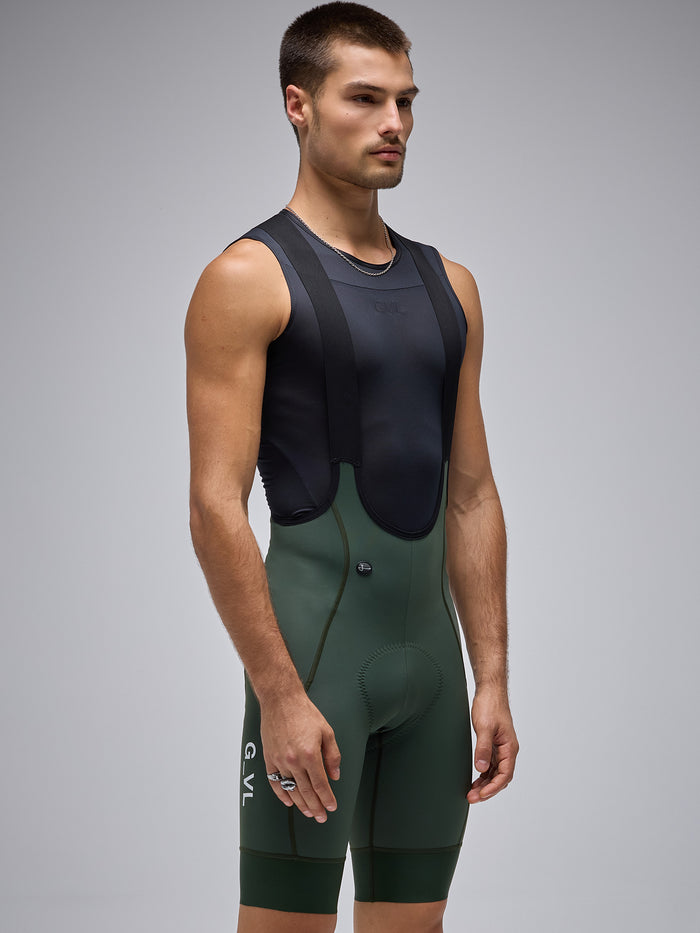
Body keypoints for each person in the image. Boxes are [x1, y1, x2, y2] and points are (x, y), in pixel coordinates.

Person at [185, 3, 519, 931]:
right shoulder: (247, 278)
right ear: (298, 104)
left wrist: (492, 678)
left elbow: (472, 494)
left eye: (406, 101)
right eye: (365, 99)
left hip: (434, 677)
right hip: (314, 667)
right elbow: (215, 506)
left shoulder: (450, 286)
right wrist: (278, 694)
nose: (394, 122)